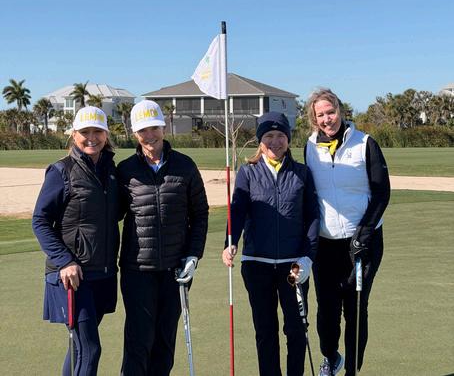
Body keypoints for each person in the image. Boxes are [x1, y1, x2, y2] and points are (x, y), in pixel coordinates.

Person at [222, 112, 320, 376]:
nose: (275, 141)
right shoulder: (248, 172)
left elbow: (312, 216)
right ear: (260, 140)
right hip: (257, 264)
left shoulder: (302, 173)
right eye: (268, 136)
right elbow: (237, 210)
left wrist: (307, 257)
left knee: (296, 329)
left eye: (280, 135)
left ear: (288, 139)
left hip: (294, 264)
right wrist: (230, 241)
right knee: (265, 331)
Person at [117, 99, 209, 376]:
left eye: (154, 128)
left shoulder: (185, 165)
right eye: (143, 130)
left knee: (165, 340)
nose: (150, 135)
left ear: (164, 128)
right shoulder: (126, 169)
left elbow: (200, 213)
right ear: (135, 133)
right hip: (137, 269)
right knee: (138, 339)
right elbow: (111, 214)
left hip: (175, 269)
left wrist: (193, 255)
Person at [304, 89, 391, 376]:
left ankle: (353, 370)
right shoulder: (310, 147)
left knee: (355, 310)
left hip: (363, 243)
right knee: (327, 312)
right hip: (326, 244)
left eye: (331, 112)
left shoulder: (365, 143)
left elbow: (381, 193)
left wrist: (363, 234)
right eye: (320, 115)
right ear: (314, 118)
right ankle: (331, 357)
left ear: (340, 110)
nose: (327, 119)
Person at [32, 106, 120, 376]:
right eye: (85, 132)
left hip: (102, 273)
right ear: (74, 135)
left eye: (97, 131)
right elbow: (40, 220)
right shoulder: (61, 171)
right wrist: (65, 261)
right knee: (89, 349)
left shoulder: (111, 171)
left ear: (106, 135)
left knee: (79, 348)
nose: (91, 138)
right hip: (73, 275)